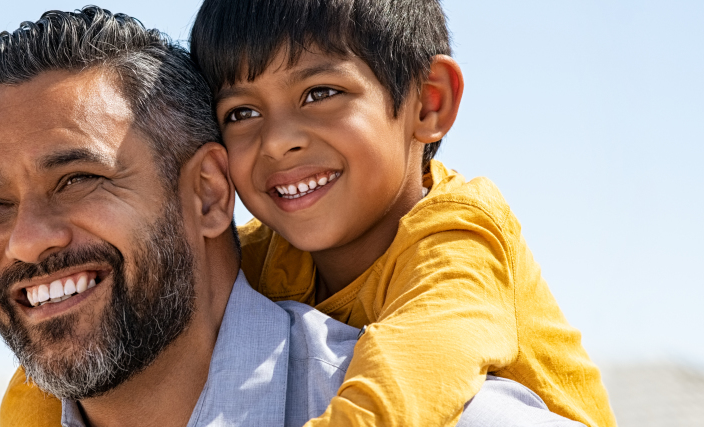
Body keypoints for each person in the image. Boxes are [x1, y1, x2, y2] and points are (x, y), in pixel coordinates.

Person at [0, 7, 582, 427]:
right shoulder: (271, 251)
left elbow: (424, 352)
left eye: (79, 181)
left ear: (209, 194)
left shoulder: (457, 241)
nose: (26, 240)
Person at [184, 0, 618, 426]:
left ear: (429, 103)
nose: (277, 140)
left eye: (320, 93)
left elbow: (404, 382)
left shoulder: (458, 238)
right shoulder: (259, 254)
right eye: (242, 112)